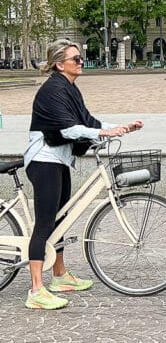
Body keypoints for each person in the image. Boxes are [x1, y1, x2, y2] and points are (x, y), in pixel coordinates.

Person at [24, 39, 143, 310]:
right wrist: (103, 133)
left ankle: (60, 276)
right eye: (75, 59)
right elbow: (68, 129)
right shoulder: (52, 90)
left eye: (80, 58)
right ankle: (36, 290)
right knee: (45, 223)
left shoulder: (70, 89)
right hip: (44, 160)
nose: (80, 62)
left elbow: (88, 123)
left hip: (59, 159)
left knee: (60, 219)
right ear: (59, 64)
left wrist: (121, 127)